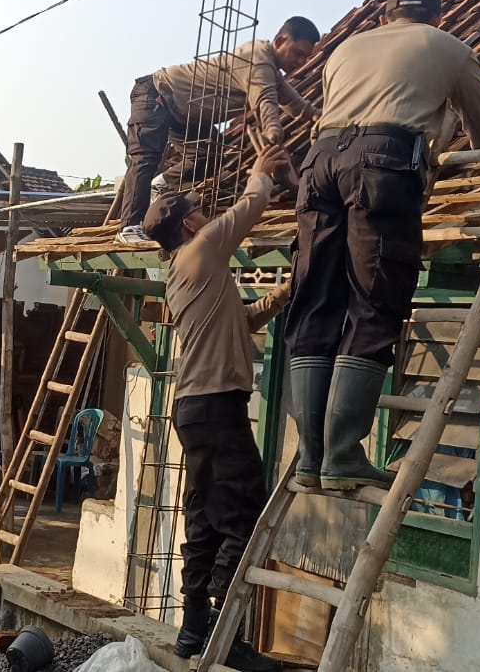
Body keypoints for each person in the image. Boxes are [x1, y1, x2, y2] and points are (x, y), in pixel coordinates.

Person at [285, 0, 480, 491]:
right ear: (437, 15)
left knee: (316, 302)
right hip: (383, 165)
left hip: (318, 164)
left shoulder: (345, 49)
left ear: (386, 16)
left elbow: (335, 118)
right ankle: (342, 455)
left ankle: (310, 456)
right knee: (374, 300)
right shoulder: (451, 49)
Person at [141, 145, 292, 671]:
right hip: (216, 407)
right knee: (246, 513)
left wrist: (279, 297)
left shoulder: (185, 271)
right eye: (200, 210)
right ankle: (224, 633)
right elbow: (249, 208)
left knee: (204, 520)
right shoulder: (202, 248)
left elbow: (238, 322)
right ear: (188, 224)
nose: (207, 214)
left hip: (196, 408)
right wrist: (260, 172)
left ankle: (192, 630)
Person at [114, 16, 323, 244]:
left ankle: (162, 184)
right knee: (146, 158)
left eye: (306, 57)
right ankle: (129, 227)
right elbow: (265, 101)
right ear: (281, 41)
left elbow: (295, 103)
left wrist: (321, 116)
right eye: (298, 53)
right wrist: (273, 135)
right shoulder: (257, 60)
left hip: (186, 115)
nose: (301, 61)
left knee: (210, 154)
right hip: (159, 94)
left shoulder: (270, 70)